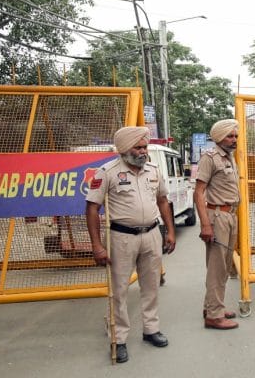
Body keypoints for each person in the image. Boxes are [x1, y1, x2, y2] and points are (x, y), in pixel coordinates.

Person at [86, 126, 176, 363]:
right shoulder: (107, 172)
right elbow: (92, 208)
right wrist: (97, 246)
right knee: (119, 290)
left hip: (152, 234)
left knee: (151, 285)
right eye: (138, 147)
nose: (143, 151)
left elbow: (163, 201)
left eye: (144, 146)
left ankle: (151, 330)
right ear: (124, 149)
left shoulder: (154, 171)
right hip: (121, 238)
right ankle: (119, 338)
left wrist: (170, 232)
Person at [194, 119, 240, 330]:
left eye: (235, 136)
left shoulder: (230, 158)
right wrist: (205, 225)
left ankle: (213, 306)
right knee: (216, 267)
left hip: (230, 216)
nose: (234, 140)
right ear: (219, 137)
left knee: (223, 267)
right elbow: (199, 192)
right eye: (230, 136)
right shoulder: (210, 158)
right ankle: (214, 316)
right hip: (217, 216)